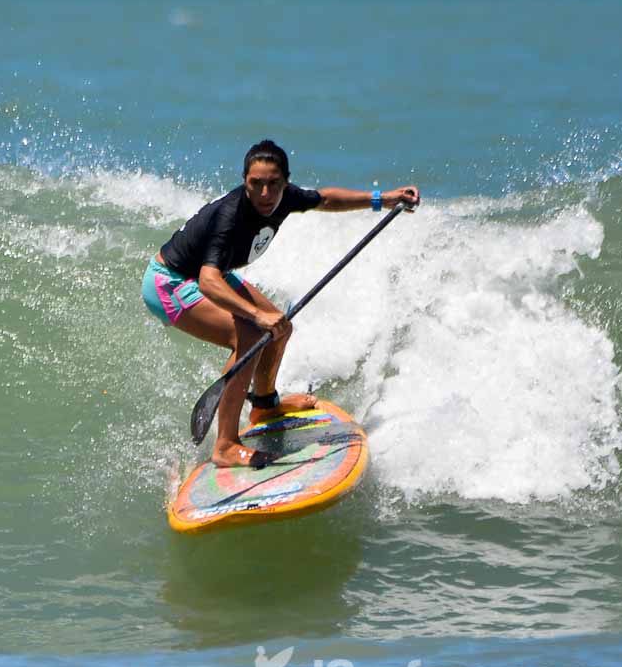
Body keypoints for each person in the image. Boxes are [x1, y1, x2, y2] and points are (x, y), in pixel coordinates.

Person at [142, 139, 420, 468]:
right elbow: (208, 281)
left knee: (279, 327)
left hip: (211, 275)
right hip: (170, 283)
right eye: (255, 184)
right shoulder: (229, 216)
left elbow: (326, 199)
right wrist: (256, 314)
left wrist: (384, 199)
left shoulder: (285, 198)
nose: (264, 193)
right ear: (244, 181)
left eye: (273, 184)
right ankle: (226, 445)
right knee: (248, 336)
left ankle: (264, 405)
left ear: (286, 181)